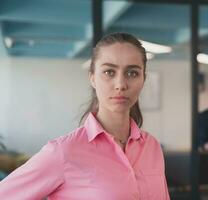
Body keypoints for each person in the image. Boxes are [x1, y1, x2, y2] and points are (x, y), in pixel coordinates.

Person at [0, 33, 170, 200]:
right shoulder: (63, 152)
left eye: (132, 73)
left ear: (143, 79)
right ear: (93, 78)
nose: (120, 85)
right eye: (109, 72)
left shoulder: (152, 147)